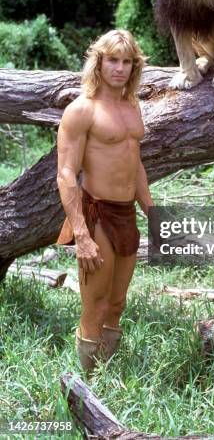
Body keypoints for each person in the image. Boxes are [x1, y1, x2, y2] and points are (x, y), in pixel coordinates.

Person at [57, 29, 153, 371]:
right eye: (113, 60)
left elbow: (135, 162)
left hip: (127, 214)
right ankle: (87, 383)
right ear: (98, 62)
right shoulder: (82, 109)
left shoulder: (132, 105)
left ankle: (108, 374)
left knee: (117, 303)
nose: (120, 68)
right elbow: (66, 174)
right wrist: (81, 234)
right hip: (96, 214)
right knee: (95, 303)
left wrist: (151, 211)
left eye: (127, 62)